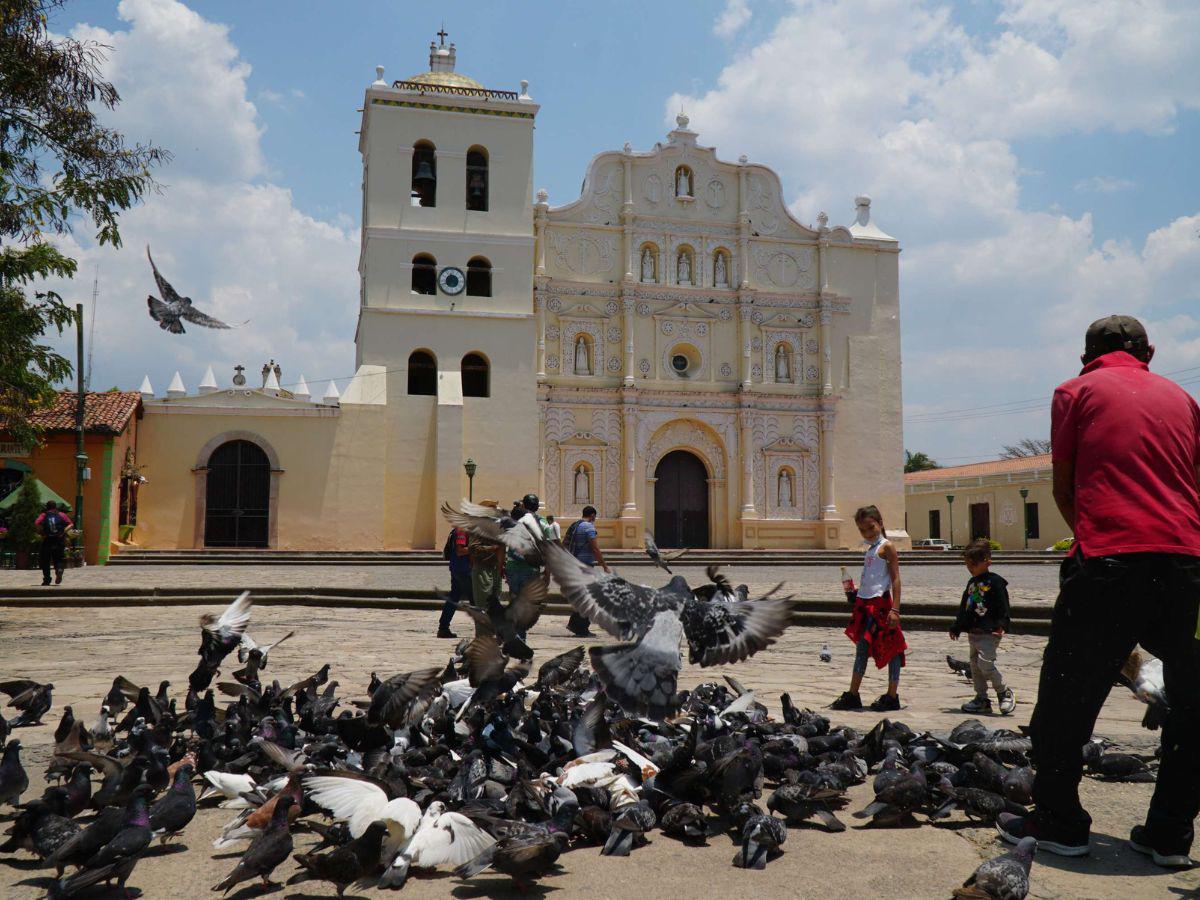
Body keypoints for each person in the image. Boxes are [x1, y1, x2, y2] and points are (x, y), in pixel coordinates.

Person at [998, 315, 1200, 866]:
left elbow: (1065, 486)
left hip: (1109, 563)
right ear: (1150, 351)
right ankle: (1169, 834)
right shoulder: (1183, 399)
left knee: (1066, 698)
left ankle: (1061, 823)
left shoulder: (1076, 390)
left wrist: (1093, 540)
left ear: (1085, 354)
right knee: (1190, 703)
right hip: (1187, 566)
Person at [830, 505, 906, 712]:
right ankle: (853, 694)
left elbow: (895, 579)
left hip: (880, 605)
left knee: (893, 649)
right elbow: (871, 578)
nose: (868, 533)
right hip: (865, 604)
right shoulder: (871, 549)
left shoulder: (886, 546)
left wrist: (896, 609)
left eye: (871, 528)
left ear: (880, 524)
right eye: (863, 530)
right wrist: (856, 594)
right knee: (862, 648)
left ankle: (892, 695)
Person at [950, 539, 1014, 715]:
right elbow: (965, 606)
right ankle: (981, 699)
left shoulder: (996, 582)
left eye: (974, 564)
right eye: (968, 564)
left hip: (989, 631)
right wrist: (957, 625)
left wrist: (1002, 624)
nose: (970, 568)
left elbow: (1003, 604)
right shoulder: (971, 583)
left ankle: (1003, 691)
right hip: (974, 631)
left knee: (985, 664)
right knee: (975, 667)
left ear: (987, 561)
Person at [563, 505, 610, 637]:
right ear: (593, 515)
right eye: (595, 516)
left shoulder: (575, 525)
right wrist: (604, 565)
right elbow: (595, 548)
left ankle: (575, 624)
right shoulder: (589, 527)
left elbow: (564, 544)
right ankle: (581, 628)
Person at [505, 493, 551, 620]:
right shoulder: (544, 524)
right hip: (532, 569)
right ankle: (520, 636)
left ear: (524, 505)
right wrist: (547, 572)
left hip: (513, 567)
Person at [470, 500, 504, 608]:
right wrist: (492, 548)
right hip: (482, 570)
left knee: (494, 606)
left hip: (495, 569)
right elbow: (473, 548)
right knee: (483, 605)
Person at [438, 524, 471, 638]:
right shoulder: (462, 530)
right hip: (463, 569)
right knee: (475, 600)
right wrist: (477, 548)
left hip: (458, 568)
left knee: (454, 597)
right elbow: (460, 550)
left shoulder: (457, 529)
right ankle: (483, 631)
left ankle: (443, 627)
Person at [35, 501, 72, 587]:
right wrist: (63, 532)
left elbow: (36, 523)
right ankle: (59, 569)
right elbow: (71, 524)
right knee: (58, 558)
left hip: (47, 540)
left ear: (47, 507)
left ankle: (47, 580)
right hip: (59, 540)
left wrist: (41, 532)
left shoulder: (44, 515)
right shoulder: (61, 514)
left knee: (45, 561)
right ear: (55, 507)